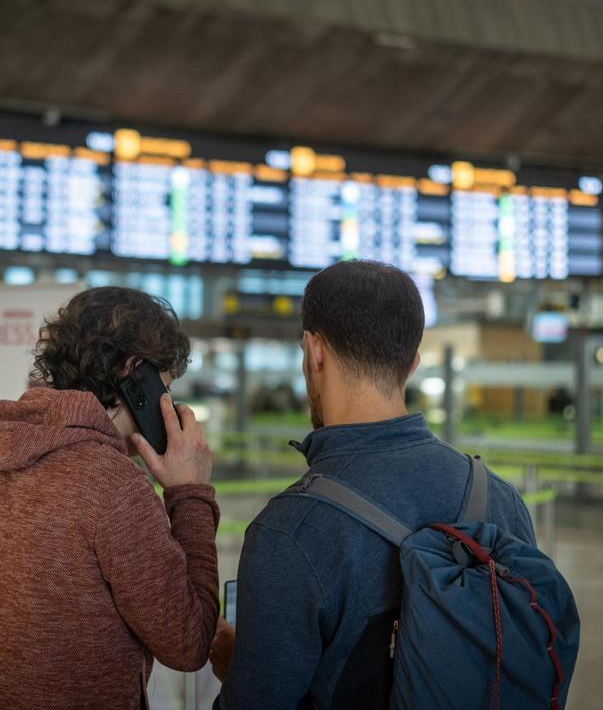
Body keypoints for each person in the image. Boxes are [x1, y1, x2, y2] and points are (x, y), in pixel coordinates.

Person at [211, 261, 535, 709]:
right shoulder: (500, 499)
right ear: (413, 363)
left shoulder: (291, 530)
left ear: (313, 351)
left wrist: (238, 666)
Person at [0, 287, 219, 709]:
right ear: (135, 373)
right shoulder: (114, 485)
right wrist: (190, 493)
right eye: (166, 387)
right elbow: (189, 642)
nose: (167, 406)